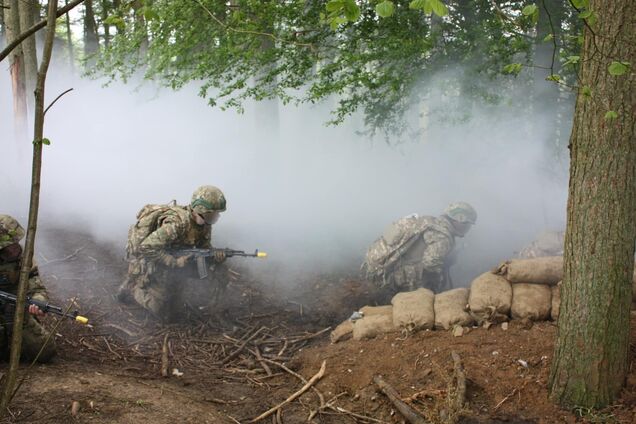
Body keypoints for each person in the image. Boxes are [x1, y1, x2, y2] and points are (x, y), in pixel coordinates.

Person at [117, 185, 229, 322]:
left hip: (177, 264)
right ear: (200, 211)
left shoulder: (204, 225)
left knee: (219, 271)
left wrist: (215, 256)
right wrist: (174, 262)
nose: (216, 217)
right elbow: (146, 247)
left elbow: (203, 248)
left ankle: (213, 309)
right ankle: (133, 287)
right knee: (163, 313)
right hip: (157, 260)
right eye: (212, 214)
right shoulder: (177, 224)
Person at [362, 202, 477, 294]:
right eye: (468, 224)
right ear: (459, 220)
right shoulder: (443, 236)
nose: (468, 228)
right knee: (429, 287)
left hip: (374, 266)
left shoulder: (428, 221)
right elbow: (430, 263)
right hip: (386, 275)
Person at [0, 214, 56, 362]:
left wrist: (38, 302)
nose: (14, 248)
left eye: (15, 243)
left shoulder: (24, 257)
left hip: (16, 310)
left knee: (44, 352)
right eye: (8, 247)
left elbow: (36, 288)